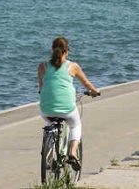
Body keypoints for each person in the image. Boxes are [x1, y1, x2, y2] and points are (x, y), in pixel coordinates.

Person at [37, 36, 100, 170]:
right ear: (67, 50)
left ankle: (48, 158)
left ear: (52, 50)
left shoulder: (42, 66)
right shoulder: (73, 66)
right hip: (67, 109)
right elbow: (86, 83)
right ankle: (72, 153)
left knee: (49, 123)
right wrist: (95, 91)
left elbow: (41, 88)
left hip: (46, 109)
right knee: (75, 125)